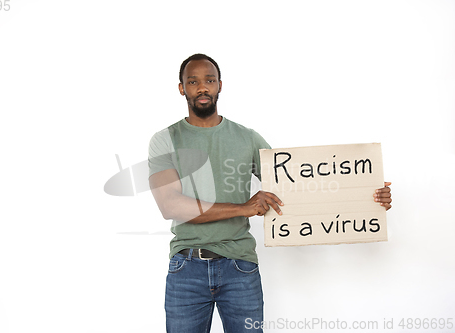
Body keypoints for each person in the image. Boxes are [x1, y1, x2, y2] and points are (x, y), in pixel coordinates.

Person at [148, 53, 392, 333]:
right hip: (186, 268)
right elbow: (171, 206)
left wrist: (366, 197)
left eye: (209, 81)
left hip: (240, 267)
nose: (202, 88)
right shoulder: (165, 140)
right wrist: (244, 208)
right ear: (181, 88)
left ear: (220, 85)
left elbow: (293, 186)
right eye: (193, 82)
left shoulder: (247, 138)